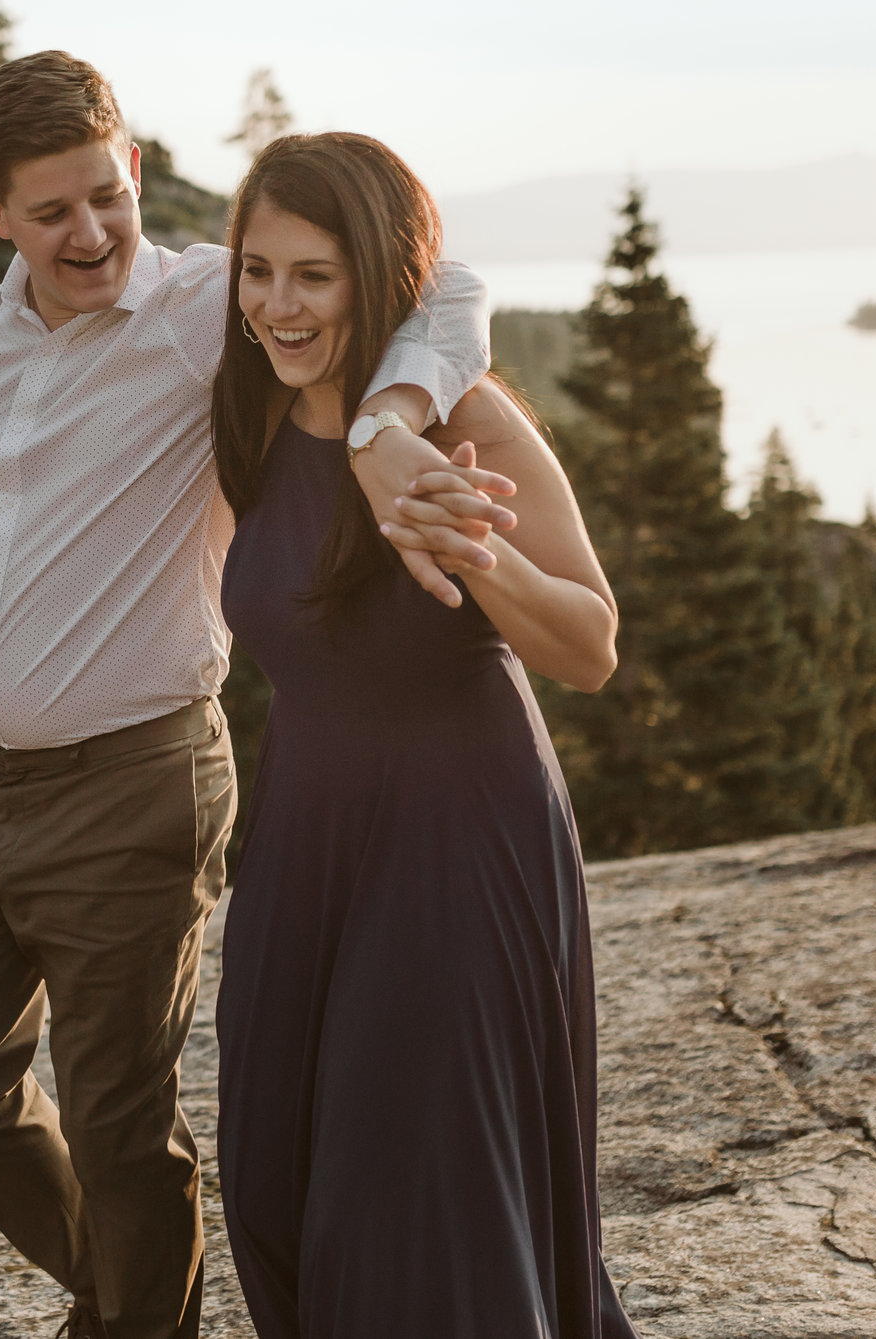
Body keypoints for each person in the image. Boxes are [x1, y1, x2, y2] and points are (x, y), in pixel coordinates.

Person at [0, 53, 507, 1339]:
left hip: (133, 779)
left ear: (131, 170)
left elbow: (448, 283)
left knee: (122, 1121)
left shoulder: (200, 309)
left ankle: (141, 1319)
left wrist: (394, 418)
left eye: (104, 196)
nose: (88, 234)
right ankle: (122, 1288)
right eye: (51, 211)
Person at [211, 132, 635, 1338]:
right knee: (274, 1166)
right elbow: (453, 284)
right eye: (258, 271)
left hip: (461, 828)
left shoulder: (470, 419)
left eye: (315, 276)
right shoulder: (245, 403)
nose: (278, 307)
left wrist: (467, 545)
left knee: (413, 1184)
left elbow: (592, 643)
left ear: (372, 277)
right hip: (307, 829)